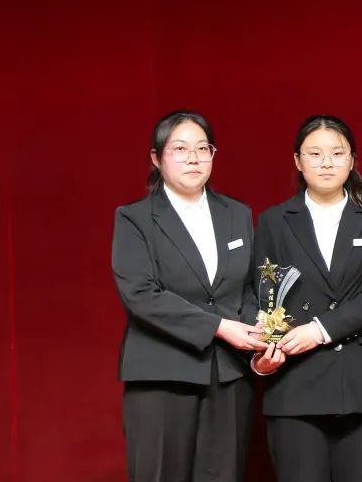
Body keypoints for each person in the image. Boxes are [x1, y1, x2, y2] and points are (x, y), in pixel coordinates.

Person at [112, 110, 267, 482]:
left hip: (228, 374)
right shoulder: (135, 218)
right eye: (180, 149)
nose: (193, 158)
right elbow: (141, 294)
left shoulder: (237, 213)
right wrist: (218, 327)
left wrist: (258, 328)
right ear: (156, 158)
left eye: (202, 148)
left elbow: (247, 287)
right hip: (162, 373)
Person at [251, 114, 362, 482]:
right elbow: (265, 295)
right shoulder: (274, 221)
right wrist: (263, 353)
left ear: (352, 160)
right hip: (295, 383)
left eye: (337, 153)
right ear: (298, 161)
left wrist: (320, 330)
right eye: (315, 154)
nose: (327, 163)